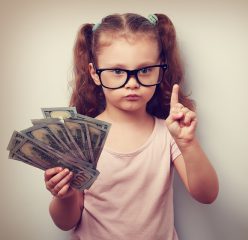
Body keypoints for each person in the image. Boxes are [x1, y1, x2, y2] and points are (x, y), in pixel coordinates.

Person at [44, 13, 219, 240]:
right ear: (94, 73)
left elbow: (207, 195)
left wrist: (188, 143)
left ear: (160, 70)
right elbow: (66, 222)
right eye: (117, 71)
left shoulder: (168, 134)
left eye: (145, 70)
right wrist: (64, 196)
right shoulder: (81, 138)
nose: (133, 83)